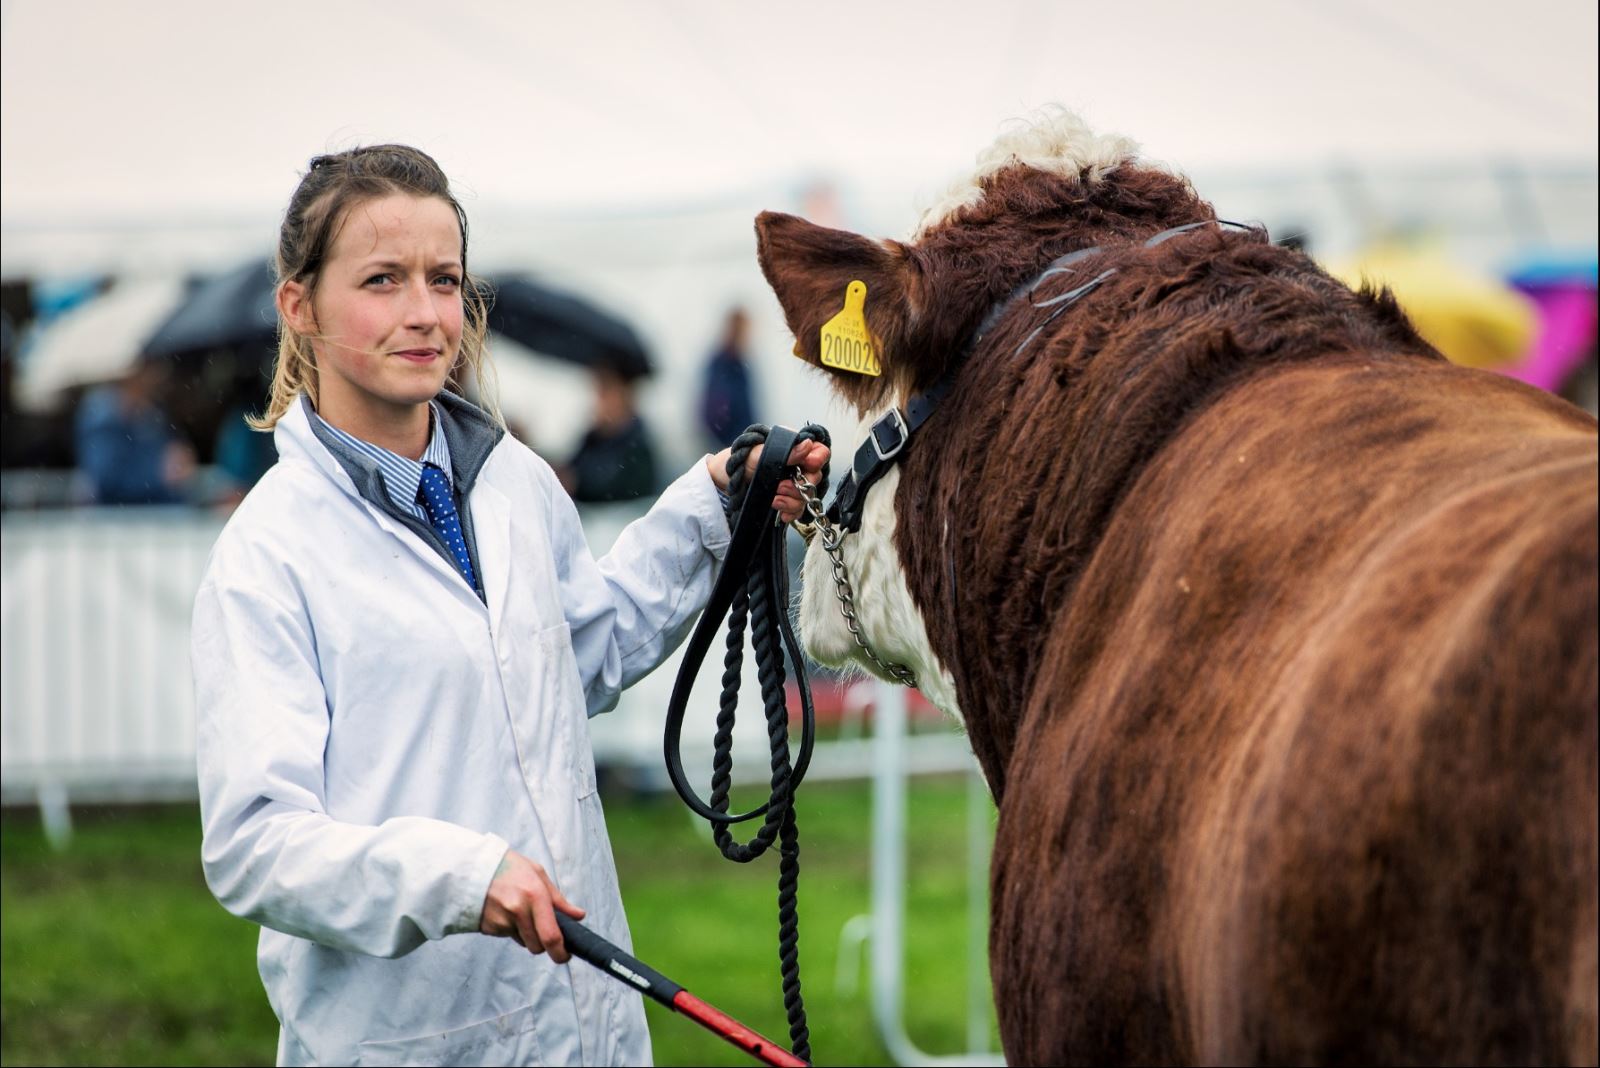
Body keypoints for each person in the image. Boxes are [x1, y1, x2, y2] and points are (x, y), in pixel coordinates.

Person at [192, 145, 826, 1067]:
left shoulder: (513, 482)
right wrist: (457, 876)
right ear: (299, 306)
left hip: (587, 1033)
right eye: (382, 279)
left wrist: (714, 503)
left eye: (443, 280)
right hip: (410, 1043)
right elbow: (255, 844)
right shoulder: (268, 555)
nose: (422, 312)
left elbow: (577, 657)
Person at [73, 361, 196, 504]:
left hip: (155, 513)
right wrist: (160, 474)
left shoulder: (151, 411)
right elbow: (105, 479)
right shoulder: (104, 415)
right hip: (120, 518)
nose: (157, 377)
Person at [561, 365, 659, 503]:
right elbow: (571, 469)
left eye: (605, 392)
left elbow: (623, 491)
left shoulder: (638, 442)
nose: (598, 400)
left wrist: (577, 483)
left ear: (625, 395)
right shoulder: (593, 437)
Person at [697, 307, 757, 447]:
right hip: (727, 444)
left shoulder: (739, 364)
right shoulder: (724, 364)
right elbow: (716, 410)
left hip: (737, 440)